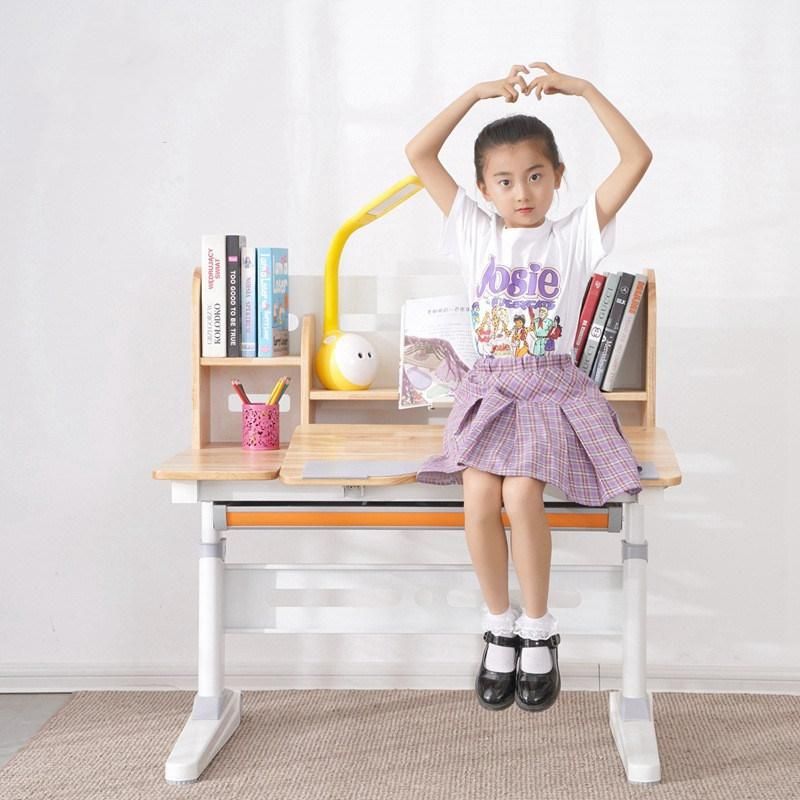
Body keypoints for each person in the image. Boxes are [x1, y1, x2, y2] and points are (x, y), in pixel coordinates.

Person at [404, 62, 652, 713]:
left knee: (520, 494)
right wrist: (476, 93)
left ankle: (540, 630)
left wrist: (584, 88)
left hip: (548, 389)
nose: (522, 192)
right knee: (478, 498)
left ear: (557, 178)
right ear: (484, 188)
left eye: (536, 176)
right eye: (506, 180)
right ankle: (500, 626)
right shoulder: (474, 231)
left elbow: (637, 157)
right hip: (489, 388)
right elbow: (418, 153)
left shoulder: (573, 238)